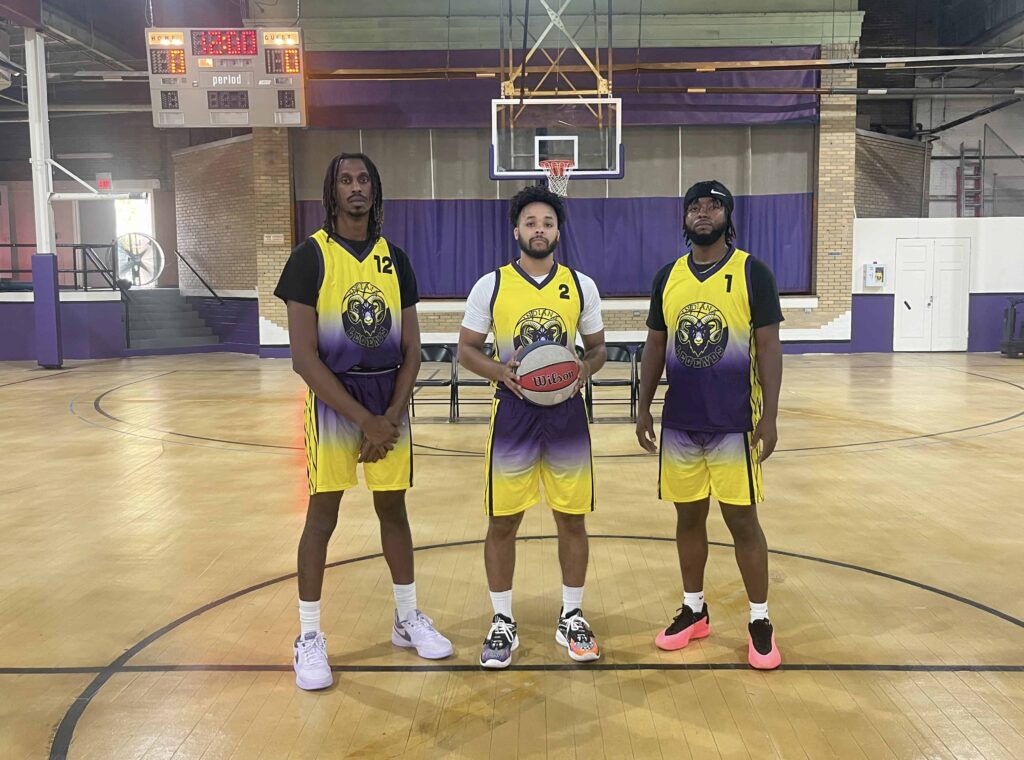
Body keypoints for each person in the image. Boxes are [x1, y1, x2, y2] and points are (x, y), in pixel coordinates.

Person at [274, 152, 452, 691]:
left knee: (393, 509)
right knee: (322, 517)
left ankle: (405, 619)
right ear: (332, 192)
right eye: (346, 180)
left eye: (364, 180)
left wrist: (390, 418)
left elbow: (415, 347)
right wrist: (364, 421)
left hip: (387, 397)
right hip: (334, 399)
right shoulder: (310, 257)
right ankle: (308, 638)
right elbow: (304, 356)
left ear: (375, 191)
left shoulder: (396, 260)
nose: (356, 188)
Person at [635, 179, 784, 670]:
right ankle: (694, 610)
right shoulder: (668, 277)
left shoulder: (751, 273)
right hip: (682, 423)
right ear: (683, 219)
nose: (703, 213)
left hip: (735, 422)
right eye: (694, 206)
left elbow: (767, 347)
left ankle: (760, 620)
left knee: (742, 521)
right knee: (688, 518)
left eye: (713, 206)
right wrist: (644, 405)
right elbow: (656, 345)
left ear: (728, 216)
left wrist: (771, 417)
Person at [458, 185, 607, 668]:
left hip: (565, 413)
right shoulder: (491, 285)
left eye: (546, 222)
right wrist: (500, 371)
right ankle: (502, 620)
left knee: (571, 518)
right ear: (516, 230)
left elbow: (599, 349)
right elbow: (466, 351)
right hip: (514, 412)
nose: (538, 229)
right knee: (503, 520)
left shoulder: (581, 285)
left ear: (557, 231)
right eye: (530, 222)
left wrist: (584, 369)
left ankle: (571, 615)